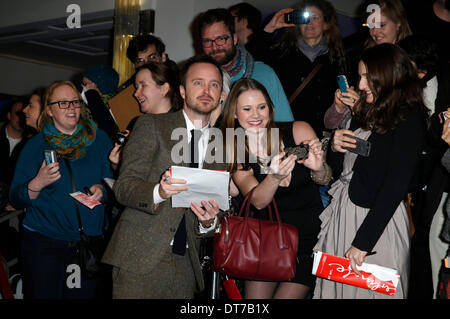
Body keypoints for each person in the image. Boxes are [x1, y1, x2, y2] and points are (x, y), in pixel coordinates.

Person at [101, 55, 228, 299]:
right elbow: (124, 187)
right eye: (198, 83)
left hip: (185, 265)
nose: (206, 90)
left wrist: (208, 221)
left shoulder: (218, 142)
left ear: (220, 93)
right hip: (139, 256)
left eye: (214, 84)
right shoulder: (151, 125)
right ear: (181, 90)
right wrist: (158, 192)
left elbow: (215, 210)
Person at [313, 43, 428, 299]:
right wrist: (336, 145)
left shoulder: (410, 117)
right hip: (344, 212)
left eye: (368, 77)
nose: (361, 85)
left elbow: (396, 185)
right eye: (361, 76)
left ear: (388, 76)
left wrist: (363, 242)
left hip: (376, 223)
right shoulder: (364, 111)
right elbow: (341, 171)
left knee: (372, 293)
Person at [220, 78, 330, 299]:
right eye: (247, 109)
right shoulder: (233, 146)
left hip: (309, 240)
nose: (256, 115)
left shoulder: (298, 129)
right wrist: (274, 177)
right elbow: (258, 200)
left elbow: (325, 179)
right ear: (234, 113)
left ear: (270, 108)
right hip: (264, 243)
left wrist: (318, 169)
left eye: (262, 107)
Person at [9, 81, 113, 299]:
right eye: (63, 103)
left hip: (87, 244)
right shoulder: (35, 146)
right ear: (49, 110)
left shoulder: (100, 139)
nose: (71, 108)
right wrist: (37, 183)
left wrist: (103, 189)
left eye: (75, 101)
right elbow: (16, 198)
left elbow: (116, 183)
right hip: (44, 243)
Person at [246, 0, 347, 139]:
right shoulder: (282, 53)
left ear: (326, 24)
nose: (309, 23)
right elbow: (249, 58)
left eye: (315, 18)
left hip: (323, 136)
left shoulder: (338, 58)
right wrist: (270, 28)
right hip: (288, 131)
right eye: (305, 18)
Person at [197, 8, 294, 123]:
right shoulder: (195, 79)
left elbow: (284, 126)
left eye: (221, 39)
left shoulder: (263, 74)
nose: (214, 47)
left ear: (235, 38)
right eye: (207, 41)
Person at [108, 62, 183, 171]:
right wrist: (119, 163)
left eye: (143, 85)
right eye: (136, 87)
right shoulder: (136, 123)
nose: (136, 93)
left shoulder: (182, 127)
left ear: (164, 89)